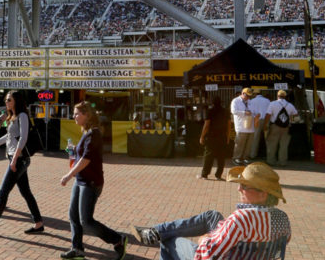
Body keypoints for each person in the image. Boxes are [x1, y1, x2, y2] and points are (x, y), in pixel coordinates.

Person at [133, 162, 291, 260]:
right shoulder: (282, 219)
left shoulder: (241, 219)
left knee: (169, 242)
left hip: (221, 254)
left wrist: (205, 239)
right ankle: (155, 232)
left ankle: (158, 234)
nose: (238, 188)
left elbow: (208, 255)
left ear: (263, 193)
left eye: (244, 186)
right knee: (212, 216)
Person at [60, 101, 126, 260]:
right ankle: (77, 249)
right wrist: (73, 149)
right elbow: (82, 153)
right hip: (81, 180)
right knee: (73, 216)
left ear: (87, 115)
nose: (74, 116)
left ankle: (117, 239)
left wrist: (69, 175)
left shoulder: (94, 133)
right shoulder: (87, 132)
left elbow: (86, 159)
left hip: (90, 183)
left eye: (77, 113)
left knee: (86, 221)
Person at [0, 91, 43, 235]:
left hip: (19, 159)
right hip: (15, 159)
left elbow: (23, 138)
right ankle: (39, 223)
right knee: (26, 192)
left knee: (3, 192)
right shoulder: (12, 117)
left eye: (9, 100)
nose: (6, 102)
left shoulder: (22, 116)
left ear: (16, 101)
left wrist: (16, 159)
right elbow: (8, 137)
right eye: (6, 100)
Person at [198, 96, 230, 181]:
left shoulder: (210, 111)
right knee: (221, 157)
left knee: (208, 156)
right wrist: (228, 136)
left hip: (212, 137)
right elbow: (229, 125)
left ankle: (205, 175)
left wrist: (202, 136)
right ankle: (218, 175)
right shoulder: (226, 111)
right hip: (222, 136)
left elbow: (206, 125)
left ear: (212, 103)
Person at [265, 90, 299, 167]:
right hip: (286, 127)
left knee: (272, 144)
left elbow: (268, 115)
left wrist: (265, 125)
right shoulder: (290, 105)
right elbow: (296, 115)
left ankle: (271, 161)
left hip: (274, 126)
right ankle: (282, 162)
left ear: (277, 96)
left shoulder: (272, 104)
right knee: (284, 145)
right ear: (285, 96)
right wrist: (290, 120)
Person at [229, 88, 255, 165]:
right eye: (247, 95)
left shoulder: (250, 102)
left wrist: (256, 114)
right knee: (239, 143)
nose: (248, 97)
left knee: (248, 144)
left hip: (250, 126)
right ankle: (236, 158)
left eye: (249, 96)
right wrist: (244, 112)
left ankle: (245, 158)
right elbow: (233, 111)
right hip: (241, 126)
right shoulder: (235, 101)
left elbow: (254, 111)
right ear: (242, 93)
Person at [248, 89, 270, 160]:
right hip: (266, 120)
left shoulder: (252, 101)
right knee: (268, 138)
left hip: (256, 120)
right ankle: (269, 155)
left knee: (255, 138)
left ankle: (252, 154)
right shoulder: (267, 100)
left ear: (254, 94)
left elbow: (250, 112)